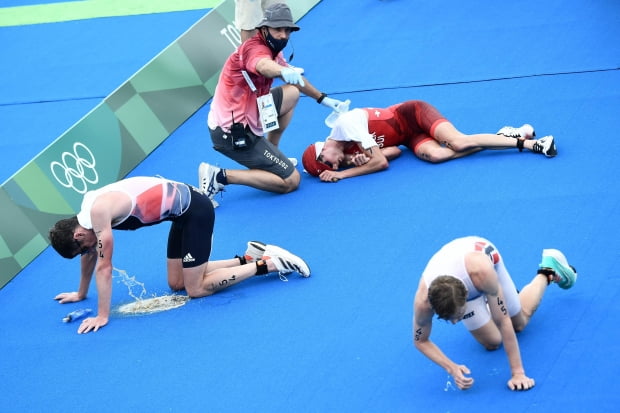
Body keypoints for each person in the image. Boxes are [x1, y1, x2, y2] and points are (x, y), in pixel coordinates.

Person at [48, 176, 310, 334]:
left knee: (195, 289)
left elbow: (104, 267)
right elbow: (90, 257)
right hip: (181, 216)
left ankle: (271, 263)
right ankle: (248, 258)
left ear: (77, 235)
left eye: (85, 247)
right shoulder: (85, 216)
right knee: (177, 284)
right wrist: (81, 293)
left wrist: (102, 315)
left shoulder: (98, 213)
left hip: (196, 211)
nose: (89, 251)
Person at [200, 3, 347, 206]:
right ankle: (219, 176)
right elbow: (262, 65)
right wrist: (279, 71)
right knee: (291, 181)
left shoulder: (274, 50)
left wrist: (322, 98)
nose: (283, 35)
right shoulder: (254, 49)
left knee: (292, 92)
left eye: (287, 30)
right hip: (232, 133)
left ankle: (272, 150)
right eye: (278, 29)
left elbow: (294, 80)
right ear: (264, 29)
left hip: (249, 114)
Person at [411, 236, 577, 391]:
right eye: (449, 319)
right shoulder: (423, 304)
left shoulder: (483, 275)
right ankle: (496, 301)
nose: (455, 322)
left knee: (518, 324)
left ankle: (547, 272)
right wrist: (451, 367)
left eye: (458, 316)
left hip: (485, 264)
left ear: (466, 298)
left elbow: (503, 320)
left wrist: (517, 373)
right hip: (461, 278)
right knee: (492, 342)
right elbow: (420, 341)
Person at [301, 100, 557, 182]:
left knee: (458, 143)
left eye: (329, 165)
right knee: (438, 156)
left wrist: (346, 175)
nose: (336, 168)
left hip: (414, 114)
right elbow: (393, 152)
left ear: (322, 151)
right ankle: (504, 136)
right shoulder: (348, 150)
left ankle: (531, 143)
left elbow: (381, 164)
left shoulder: (346, 125)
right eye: (333, 170)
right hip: (409, 137)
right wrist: (363, 158)